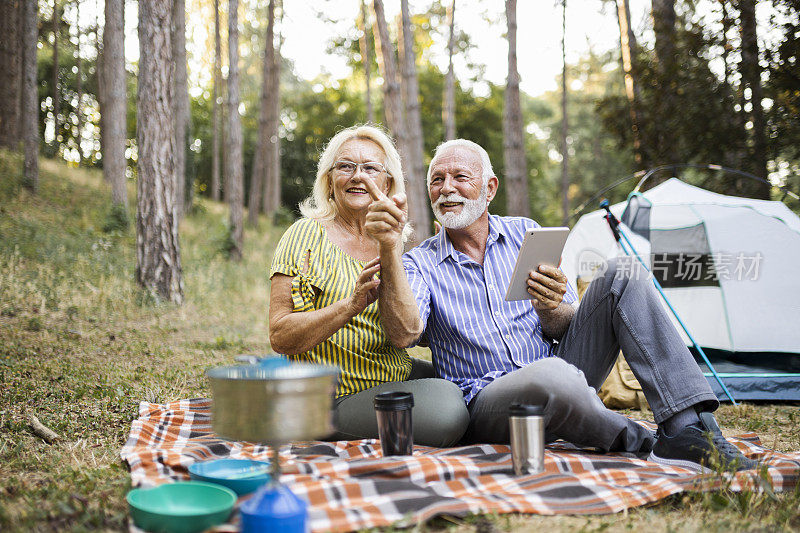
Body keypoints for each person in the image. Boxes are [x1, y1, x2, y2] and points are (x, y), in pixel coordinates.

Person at [376, 138, 754, 471]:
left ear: (490, 188)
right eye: (437, 180)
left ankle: (687, 426)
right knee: (551, 376)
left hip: (564, 370)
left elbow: (563, 324)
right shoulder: (417, 263)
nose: (447, 189)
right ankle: (641, 440)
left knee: (624, 271)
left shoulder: (527, 232)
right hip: (488, 403)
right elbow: (404, 333)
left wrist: (549, 307)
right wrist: (390, 247)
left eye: (460, 177)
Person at [268, 125, 469, 447]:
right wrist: (351, 305)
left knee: (468, 378)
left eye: (371, 168)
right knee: (447, 407)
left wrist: (389, 247)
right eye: (345, 166)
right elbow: (281, 336)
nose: (357, 176)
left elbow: (405, 334)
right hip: (330, 395)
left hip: (391, 375)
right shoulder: (305, 235)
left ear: (388, 183)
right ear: (329, 181)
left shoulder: (395, 245)